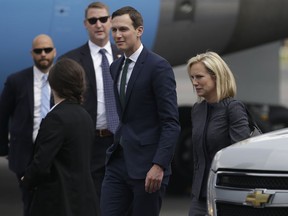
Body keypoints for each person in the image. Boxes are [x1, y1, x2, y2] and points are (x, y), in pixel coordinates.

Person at [100, 6, 180, 216]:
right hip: (118, 162)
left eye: (123, 29)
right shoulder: (115, 67)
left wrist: (159, 165)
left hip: (148, 167)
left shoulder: (158, 67)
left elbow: (171, 122)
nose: (117, 35)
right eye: (114, 30)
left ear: (139, 30)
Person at [58, 2, 122, 205]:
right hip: (89, 142)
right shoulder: (71, 61)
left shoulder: (127, 58)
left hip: (121, 142)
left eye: (103, 19)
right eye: (93, 20)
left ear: (110, 22)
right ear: (86, 24)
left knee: (120, 200)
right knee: (90, 201)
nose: (99, 24)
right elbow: (60, 108)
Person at [21, 58, 99, 216]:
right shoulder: (85, 116)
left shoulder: (56, 118)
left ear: (53, 84)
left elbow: (41, 163)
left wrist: (27, 180)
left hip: (58, 203)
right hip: (85, 202)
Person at [187, 51, 251, 216]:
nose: (194, 82)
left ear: (216, 76)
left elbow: (241, 154)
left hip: (226, 194)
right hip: (199, 196)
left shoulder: (233, 107)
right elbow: (197, 157)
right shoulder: (197, 110)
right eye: (192, 78)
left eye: (199, 77)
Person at [0, 34, 56, 216]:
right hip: (25, 154)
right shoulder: (16, 80)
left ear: (54, 52)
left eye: (47, 50)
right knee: (30, 202)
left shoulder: (62, 80)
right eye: (38, 51)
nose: (43, 54)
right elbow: (3, 115)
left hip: (56, 153)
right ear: (31, 53)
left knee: (54, 202)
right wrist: (4, 148)